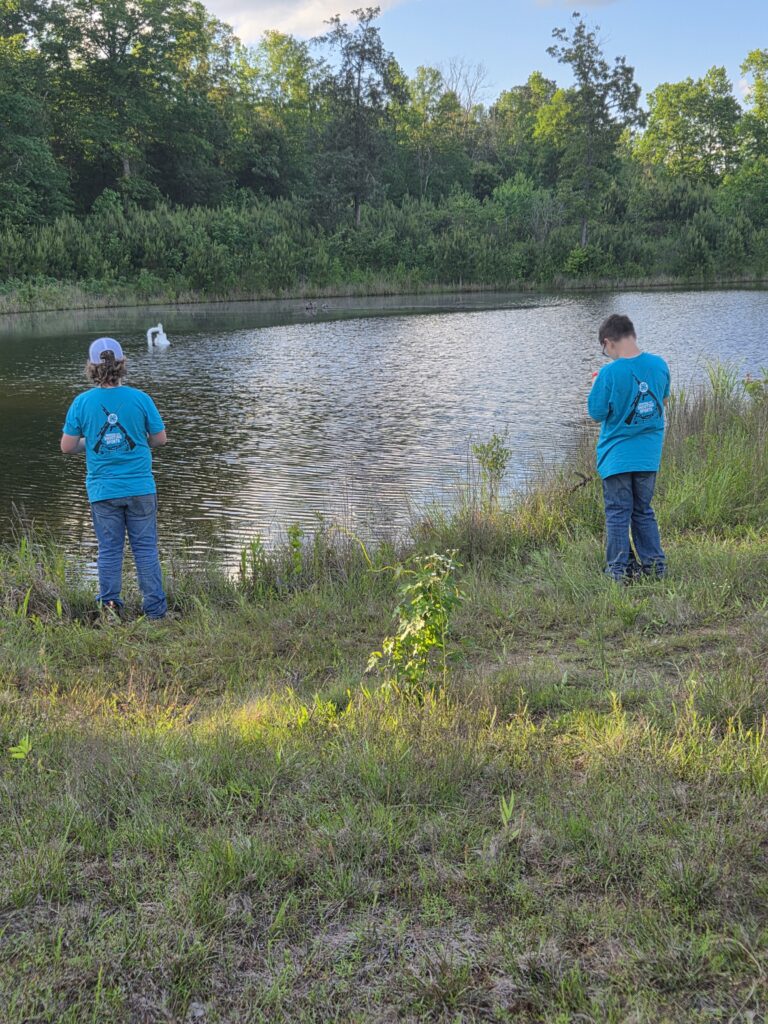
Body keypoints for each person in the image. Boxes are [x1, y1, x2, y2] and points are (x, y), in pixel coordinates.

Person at [60, 337, 168, 619]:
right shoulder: (141, 398)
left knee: (109, 551)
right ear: (121, 364)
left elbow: (67, 446)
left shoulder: (81, 402)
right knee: (145, 549)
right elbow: (160, 439)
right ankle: (155, 612)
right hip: (141, 488)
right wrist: (138, 439)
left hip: (103, 491)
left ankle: (110, 610)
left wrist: (93, 444)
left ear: (92, 367)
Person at [587, 314, 670, 582]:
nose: (607, 355)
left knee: (617, 513)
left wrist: (597, 384)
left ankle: (618, 571)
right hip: (648, 457)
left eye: (604, 350)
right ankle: (655, 567)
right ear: (632, 335)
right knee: (643, 510)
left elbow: (597, 413)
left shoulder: (609, 373)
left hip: (617, 457)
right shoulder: (659, 365)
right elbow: (663, 400)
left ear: (609, 342)